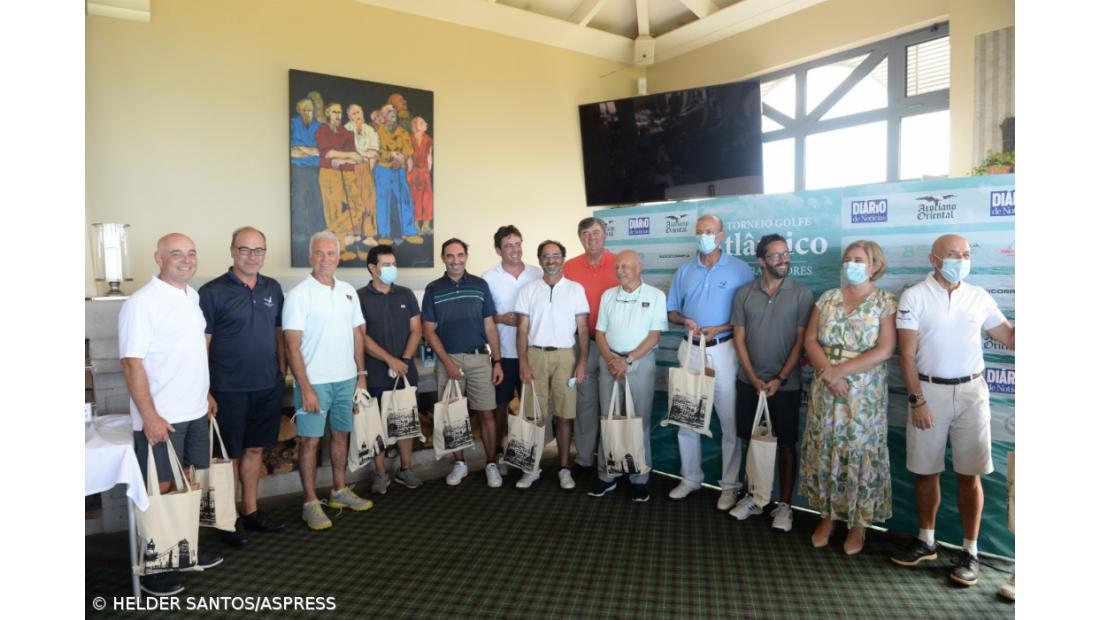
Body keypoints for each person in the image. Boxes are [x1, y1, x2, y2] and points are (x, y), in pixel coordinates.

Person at [890, 234, 1015, 587]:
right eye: (952, 254)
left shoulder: (979, 297)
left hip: (972, 393)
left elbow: (1010, 338)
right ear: (934, 259)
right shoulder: (914, 295)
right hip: (928, 393)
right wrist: (917, 400)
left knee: (969, 475)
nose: (960, 259)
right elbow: (906, 355)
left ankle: (970, 551)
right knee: (926, 471)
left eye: (965, 254)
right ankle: (927, 541)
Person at [119, 233, 222, 595]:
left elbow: (189, 353)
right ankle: (152, 570)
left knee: (188, 483)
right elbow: (132, 363)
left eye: (191, 253)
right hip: (162, 417)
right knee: (159, 489)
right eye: (176, 253)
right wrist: (149, 416)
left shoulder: (191, 296)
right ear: (158, 258)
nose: (186, 259)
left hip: (194, 411)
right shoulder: (142, 303)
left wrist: (204, 393)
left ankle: (183, 549)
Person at [800, 240, 897, 554]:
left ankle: (858, 524)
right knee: (826, 446)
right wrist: (829, 371)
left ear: (873, 265)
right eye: (847, 259)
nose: (851, 264)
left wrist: (840, 372)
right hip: (826, 388)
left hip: (862, 392)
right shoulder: (827, 298)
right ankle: (827, 516)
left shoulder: (885, 301)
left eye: (859, 260)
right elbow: (810, 339)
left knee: (858, 451)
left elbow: (885, 349)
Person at [199, 227, 288, 544]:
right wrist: (205, 390)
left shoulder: (273, 288)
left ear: (265, 252)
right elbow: (201, 346)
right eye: (245, 250)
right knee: (229, 457)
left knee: (255, 450)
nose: (252, 256)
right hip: (228, 389)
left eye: (258, 250)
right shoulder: (211, 292)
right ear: (232, 251)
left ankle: (250, 511)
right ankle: (228, 519)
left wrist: (282, 368)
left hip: (267, 385)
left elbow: (279, 332)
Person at [283, 231, 374, 531]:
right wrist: (305, 386)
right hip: (315, 383)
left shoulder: (348, 291)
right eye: (319, 253)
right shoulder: (299, 295)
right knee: (309, 442)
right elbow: (291, 345)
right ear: (311, 257)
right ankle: (310, 502)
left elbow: (356, 335)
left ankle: (339, 490)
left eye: (330, 254)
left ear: (339, 257)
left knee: (340, 435)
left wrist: (360, 376)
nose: (325, 259)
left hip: (346, 379)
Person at [666, 214, 754, 507]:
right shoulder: (684, 270)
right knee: (686, 418)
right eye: (700, 231)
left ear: (722, 235)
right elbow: (671, 312)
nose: (704, 236)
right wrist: (685, 320)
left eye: (710, 231)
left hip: (723, 351)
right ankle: (690, 478)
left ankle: (730, 485)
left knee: (729, 421)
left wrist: (724, 327)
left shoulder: (740, 270)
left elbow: (748, 316)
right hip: (690, 349)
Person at [728, 233, 813, 531]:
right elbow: (738, 339)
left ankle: (784, 505)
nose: (783, 260)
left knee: (786, 444)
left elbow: (802, 341)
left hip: (785, 385)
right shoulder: (743, 293)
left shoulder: (802, 293)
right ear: (761, 261)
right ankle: (754, 497)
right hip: (748, 382)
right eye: (775, 255)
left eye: (786, 254)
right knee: (753, 441)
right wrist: (753, 378)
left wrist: (779, 378)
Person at [422, 238, 505, 487]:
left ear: (466, 256)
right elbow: (429, 330)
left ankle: (491, 463)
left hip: (480, 357)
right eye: (450, 256)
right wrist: (447, 362)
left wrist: (497, 361)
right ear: (443, 258)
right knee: (453, 415)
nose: (455, 260)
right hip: (449, 360)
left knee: (487, 414)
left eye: (460, 255)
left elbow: (490, 326)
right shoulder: (433, 288)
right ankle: (460, 463)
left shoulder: (480, 285)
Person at [588, 250, 668, 501]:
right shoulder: (608, 296)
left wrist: (628, 360)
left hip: (639, 364)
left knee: (638, 421)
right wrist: (612, 360)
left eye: (626, 266)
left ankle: (639, 479)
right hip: (610, 362)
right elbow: (600, 333)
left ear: (639, 267)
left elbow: (655, 335)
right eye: (618, 266)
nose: (621, 271)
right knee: (608, 419)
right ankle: (607, 476)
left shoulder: (655, 296)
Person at [514, 240, 590, 489]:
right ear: (540, 259)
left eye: (556, 255)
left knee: (565, 415)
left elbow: (582, 329)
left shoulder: (576, 289)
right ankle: (531, 467)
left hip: (566, 356)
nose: (551, 260)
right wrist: (523, 362)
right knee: (533, 414)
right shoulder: (528, 290)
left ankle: (564, 468)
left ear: (563, 259)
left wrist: (582, 362)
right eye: (546, 256)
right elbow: (522, 330)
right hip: (535, 355)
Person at [356, 244, 424, 492]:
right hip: (373, 373)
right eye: (386, 265)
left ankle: (406, 469)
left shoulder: (406, 294)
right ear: (372, 268)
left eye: (393, 264)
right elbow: (361, 337)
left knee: (405, 421)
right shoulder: (359, 297)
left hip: (405, 372)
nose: (392, 268)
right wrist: (389, 360)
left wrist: (404, 360)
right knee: (376, 425)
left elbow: (416, 330)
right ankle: (381, 473)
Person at [481, 226, 541, 475]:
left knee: (531, 408)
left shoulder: (537, 273)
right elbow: (483, 316)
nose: (515, 249)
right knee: (500, 407)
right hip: (503, 353)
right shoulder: (487, 277)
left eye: (518, 243)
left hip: (533, 353)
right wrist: (500, 318)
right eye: (508, 245)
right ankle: (499, 455)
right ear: (498, 250)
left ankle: (527, 457)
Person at [561, 217, 618, 478]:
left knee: (611, 405)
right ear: (580, 238)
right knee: (584, 404)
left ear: (605, 236)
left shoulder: (620, 263)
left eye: (596, 232)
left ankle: (611, 460)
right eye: (585, 234)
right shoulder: (569, 267)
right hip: (582, 345)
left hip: (614, 347)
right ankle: (584, 459)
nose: (591, 238)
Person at [315, 102, 371, 261]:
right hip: (329, 174)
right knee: (333, 211)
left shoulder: (347, 133)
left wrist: (340, 157)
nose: (337, 115)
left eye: (339, 112)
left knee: (358, 207)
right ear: (327, 113)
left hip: (347, 173)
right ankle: (340, 249)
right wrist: (346, 156)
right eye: (334, 112)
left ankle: (328, 235)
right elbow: (327, 153)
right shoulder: (322, 131)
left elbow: (357, 156)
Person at [374, 103, 423, 245]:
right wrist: (391, 155)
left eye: (393, 111)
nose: (392, 113)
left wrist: (401, 157)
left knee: (405, 199)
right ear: (383, 116)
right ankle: (384, 234)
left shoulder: (402, 132)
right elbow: (376, 151)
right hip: (383, 170)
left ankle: (409, 232)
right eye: (389, 111)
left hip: (399, 170)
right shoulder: (377, 132)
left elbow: (409, 149)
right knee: (383, 201)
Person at [290, 98, 326, 266]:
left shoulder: (317, 127)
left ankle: (316, 233)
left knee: (316, 200)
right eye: (304, 110)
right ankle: (300, 233)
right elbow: (291, 152)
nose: (308, 113)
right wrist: (310, 151)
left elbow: (321, 151)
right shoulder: (293, 124)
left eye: (310, 110)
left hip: (314, 170)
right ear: (298, 110)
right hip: (297, 169)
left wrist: (302, 149)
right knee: (298, 199)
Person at [344, 103, 381, 248]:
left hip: (367, 168)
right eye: (353, 114)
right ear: (349, 116)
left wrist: (363, 155)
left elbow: (375, 153)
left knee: (369, 203)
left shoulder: (370, 130)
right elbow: (348, 152)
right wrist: (364, 153)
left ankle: (369, 235)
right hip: (350, 168)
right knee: (353, 202)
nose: (357, 116)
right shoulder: (346, 129)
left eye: (358, 112)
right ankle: (354, 233)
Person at [408, 116, 434, 235]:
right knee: (415, 198)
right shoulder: (410, 138)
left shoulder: (428, 139)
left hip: (424, 171)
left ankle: (426, 226)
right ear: (415, 125)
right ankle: (415, 225)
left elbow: (429, 156)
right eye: (422, 122)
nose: (426, 124)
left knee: (427, 198)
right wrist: (409, 173)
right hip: (413, 170)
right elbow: (408, 157)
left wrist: (427, 172)